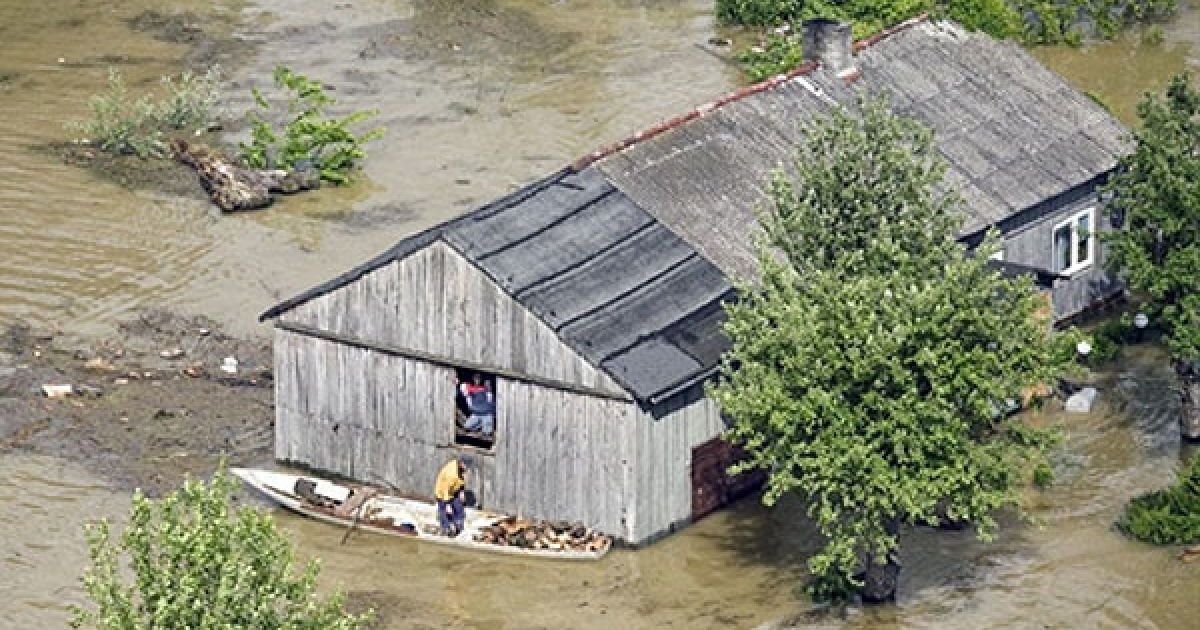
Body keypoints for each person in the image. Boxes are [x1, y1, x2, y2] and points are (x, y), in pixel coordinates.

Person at [434, 456, 469, 536]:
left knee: (459, 507)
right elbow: (445, 489)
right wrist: (447, 504)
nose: (467, 468)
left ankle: (458, 526)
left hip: (453, 490)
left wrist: (461, 491)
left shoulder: (461, 469)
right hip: (442, 493)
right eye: (466, 465)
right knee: (445, 512)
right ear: (461, 463)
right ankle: (446, 529)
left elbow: (461, 480)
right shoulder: (451, 474)